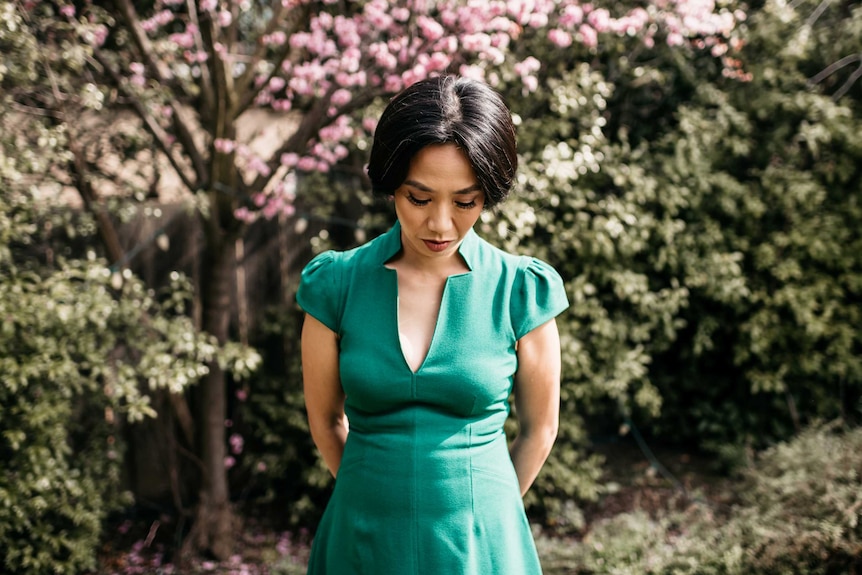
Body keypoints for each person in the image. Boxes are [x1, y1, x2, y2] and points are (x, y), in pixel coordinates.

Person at [297, 75, 569, 575]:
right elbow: (326, 421)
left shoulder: (520, 289)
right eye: (418, 198)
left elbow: (540, 428)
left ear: (488, 192)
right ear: (391, 186)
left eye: (465, 202)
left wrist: (485, 505)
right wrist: (373, 493)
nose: (440, 224)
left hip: (482, 544)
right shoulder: (335, 284)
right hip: (361, 541)